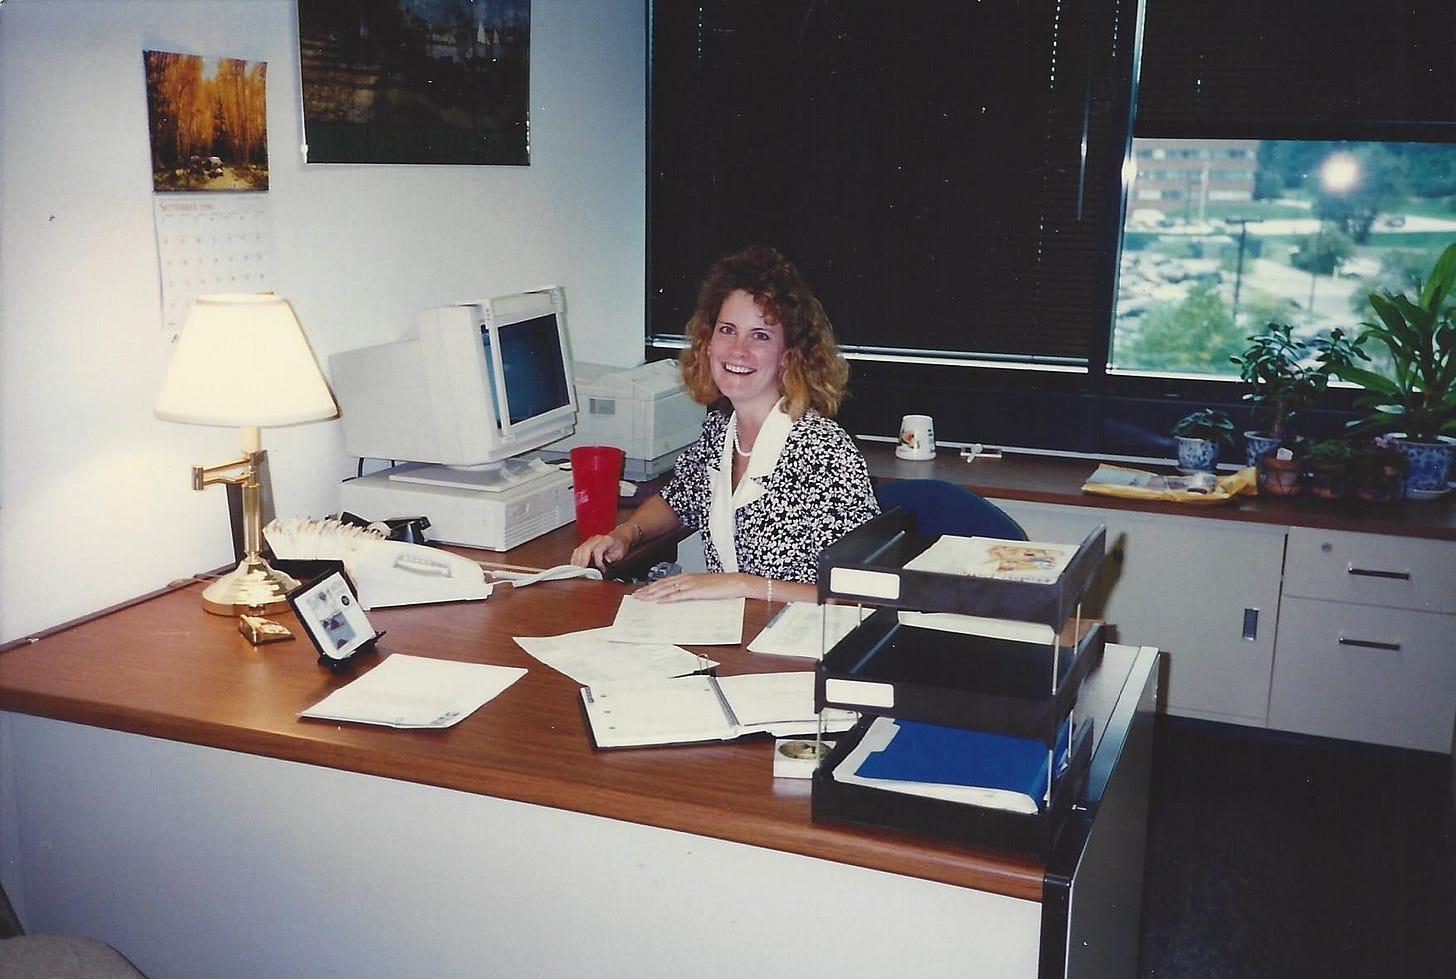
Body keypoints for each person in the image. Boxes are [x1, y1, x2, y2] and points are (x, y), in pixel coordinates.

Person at [570, 245, 880, 604]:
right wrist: (625, 534)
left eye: (760, 336)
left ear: (789, 355)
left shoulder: (822, 451)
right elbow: (678, 499)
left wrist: (744, 584)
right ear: (707, 342)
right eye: (727, 330)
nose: (738, 350)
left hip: (802, 644)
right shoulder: (720, 432)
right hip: (736, 637)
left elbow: (862, 593)